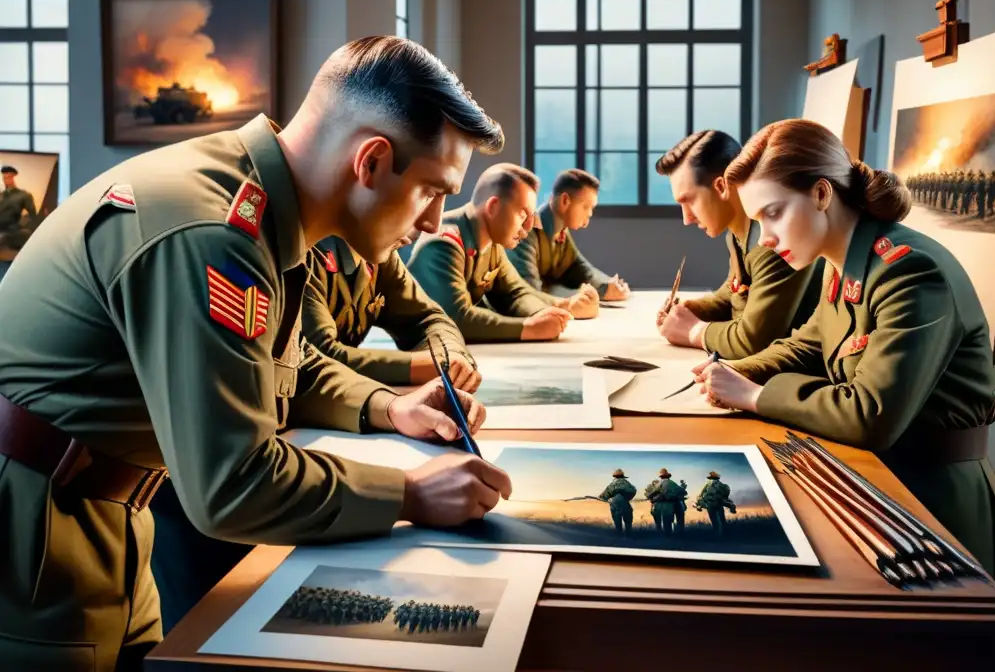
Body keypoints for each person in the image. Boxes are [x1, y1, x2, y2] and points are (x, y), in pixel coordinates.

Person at [0, 35, 515, 670]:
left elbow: (272, 368)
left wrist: (389, 408)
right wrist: (409, 494)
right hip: (34, 541)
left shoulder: (262, 211)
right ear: (372, 161)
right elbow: (232, 484)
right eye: (433, 190)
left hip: (107, 513)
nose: (437, 220)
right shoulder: (216, 230)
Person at [693, 118, 995, 588]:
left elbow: (871, 414)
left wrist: (754, 396)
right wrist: (729, 371)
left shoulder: (909, 272)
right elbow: (808, 343)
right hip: (878, 485)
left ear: (822, 194)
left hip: (934, 510)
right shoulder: (841, 261)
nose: (764, 238)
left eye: (773, 213)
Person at [653, 130, 823, 359]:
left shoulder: (771, 238)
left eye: (689, 201)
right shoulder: (737, 233)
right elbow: (733, 294)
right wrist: (689, 311)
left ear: (722, 186)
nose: (686, 218)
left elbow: (754, 340)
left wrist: (693, 331)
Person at [407, 163, 583, 342]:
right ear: (493, 207)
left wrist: (544, 314)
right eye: (522, 215)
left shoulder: (492, 242)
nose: (528, 228)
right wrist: (528, 329)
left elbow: (514, 294)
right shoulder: (442, 244)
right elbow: (455, 317)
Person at [303, 233, 481, 391]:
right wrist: (421, 367)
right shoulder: (305, 253)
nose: (431, 226)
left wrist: (450, 356)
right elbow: (313, 357)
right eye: (426, 195)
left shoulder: (379, 248)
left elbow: (428, 318)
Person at [506, 168, 630, 301]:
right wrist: (597, 293)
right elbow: (529, 292)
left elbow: (580, 269)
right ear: (565, 200)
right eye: (585, 206)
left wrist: (609, 285)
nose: (590, 214)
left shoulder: (561, 232)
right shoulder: (525, 232)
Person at [0, 164, 37, 247]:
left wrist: (19, 225)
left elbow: (32, 215)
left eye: (9, 177)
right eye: (4, 178)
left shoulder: (23, 195)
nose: (6, 180)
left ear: (14, 178)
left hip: (11, 230)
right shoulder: (1, 195)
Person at [598, 468, 636, 537]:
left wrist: (608, 499)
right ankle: (629, 536)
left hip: (614, 504)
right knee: (628, 521)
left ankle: (619, 537)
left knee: (617, 522)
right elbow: (633, 491)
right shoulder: (626, 483)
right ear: (622, 476)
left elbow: (603, 496)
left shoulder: (612, 484)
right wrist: (628, 498)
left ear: (615, 476)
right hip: (625, 503)